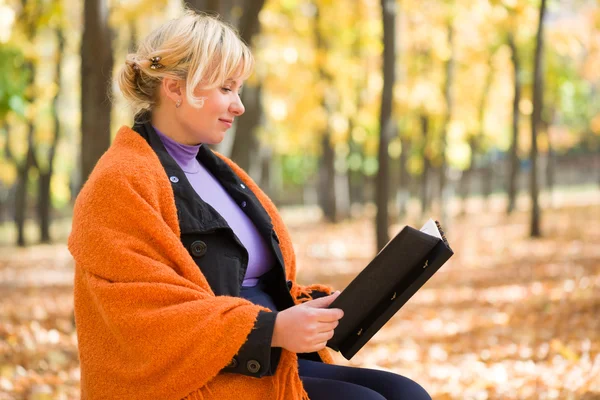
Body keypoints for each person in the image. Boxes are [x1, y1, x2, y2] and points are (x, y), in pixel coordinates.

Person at [68, 10, 431, 400]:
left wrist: (315, 308)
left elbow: (252, 281)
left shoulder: (224, 172)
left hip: (261, 355)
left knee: (407, 393)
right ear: (175, 89)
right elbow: (139, 315)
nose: (238, 105)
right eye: (226, 89)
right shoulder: (120, 181)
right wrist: (270, 329)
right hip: (196, 375)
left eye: (238, 89)